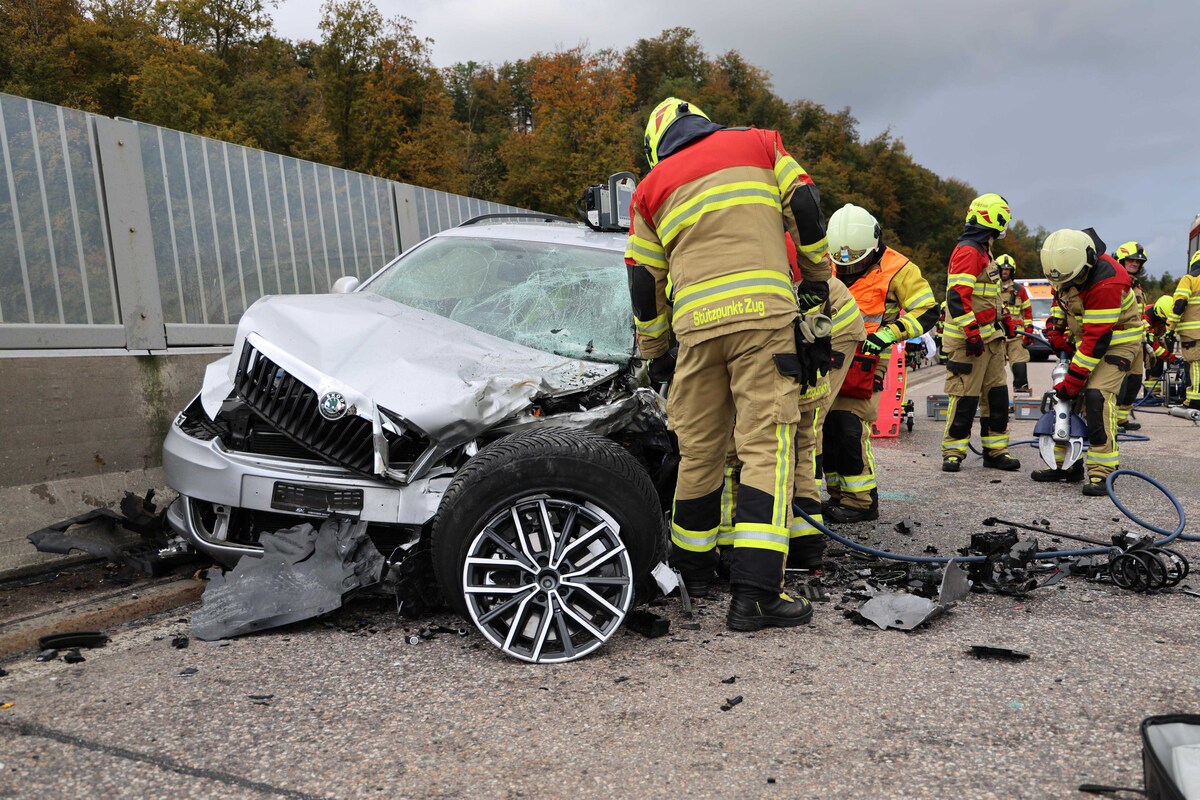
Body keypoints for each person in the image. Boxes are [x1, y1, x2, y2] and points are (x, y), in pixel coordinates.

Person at [625, 97, 831, 631]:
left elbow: (643, 283)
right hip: (764, 318)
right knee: (766, 446)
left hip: (696, 330)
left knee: (699, 452)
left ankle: (693, 573)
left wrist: (657, 351)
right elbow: (805, 203)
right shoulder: (759, 143)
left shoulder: (648, 190)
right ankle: (757, 594)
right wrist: (814, 276)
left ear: (657, 145)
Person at [821, 204, 938, 523]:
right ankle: (837, 496)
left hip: (867, 357)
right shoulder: (828, 258)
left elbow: (927, 311)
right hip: (827, 354)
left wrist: (888, 334)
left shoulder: (898, 267)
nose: (845, 271)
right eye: (840, 265)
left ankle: (861, 501)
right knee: (825, 429)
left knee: (847, 424)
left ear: (873, 247)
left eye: (854, 264)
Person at [1036, 229, 1143, 495]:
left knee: (1096, 395)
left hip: (1117, 343)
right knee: (1067, 399)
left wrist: (1073, 380)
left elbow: (1097, 341)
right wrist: (1055, 328)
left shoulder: (1109, 281)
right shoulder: (1066, 267)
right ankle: (1065, 465)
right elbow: (1061, 299)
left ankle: (1102, 472)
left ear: (1088, 263)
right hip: (1089, 341)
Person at [940, 194, 1021, 473]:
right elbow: (956, 297)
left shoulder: (985, 253)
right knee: (964, 398)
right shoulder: (969, 251)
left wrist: (1006, 319)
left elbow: (991, 296)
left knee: (996, 396)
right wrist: (972, 333)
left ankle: (996, 451)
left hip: (992, 340)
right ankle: (953, 451)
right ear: (996, 219)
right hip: (969, 342)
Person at [1112, 242, 1149, 429]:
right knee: (1120, 382)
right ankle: (1111, 419)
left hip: (1137, 341)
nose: (1135, 264)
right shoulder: (1117, 282)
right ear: (1121, 260)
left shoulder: (1137, 286)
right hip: (1121, 340)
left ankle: (1122, 418)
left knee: (1135, 381)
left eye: (1138, 261)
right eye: (1131, 260)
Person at [1166, 250, 1200, 410]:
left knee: (1195, 364)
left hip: (1193, 334)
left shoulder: (1189, 279)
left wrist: (1170, 329)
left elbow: (1179, 304)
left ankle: (1195, 400)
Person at [997, 254, 1034, 394]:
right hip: (997, 335)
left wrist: (1028, 329)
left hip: (1016, 335)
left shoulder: (1020, 290)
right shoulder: (992, 289)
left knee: (1019, 363)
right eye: (1003, 269)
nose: (1005, 272)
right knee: (994, 370)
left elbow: (1027, 311)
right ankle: (995, 399)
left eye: (1008, 269)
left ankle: (1021, 392)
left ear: (1012, 271)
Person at [1143, 295, 1177, 398]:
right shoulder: (1146, 317)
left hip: (1157, 337)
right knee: (1153, 363)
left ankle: (1169, 391)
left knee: (1167, 361)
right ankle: (1151, 394)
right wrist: (1169, 357)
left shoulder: (1167, 315)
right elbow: (1151, 345)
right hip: (1144, 340)